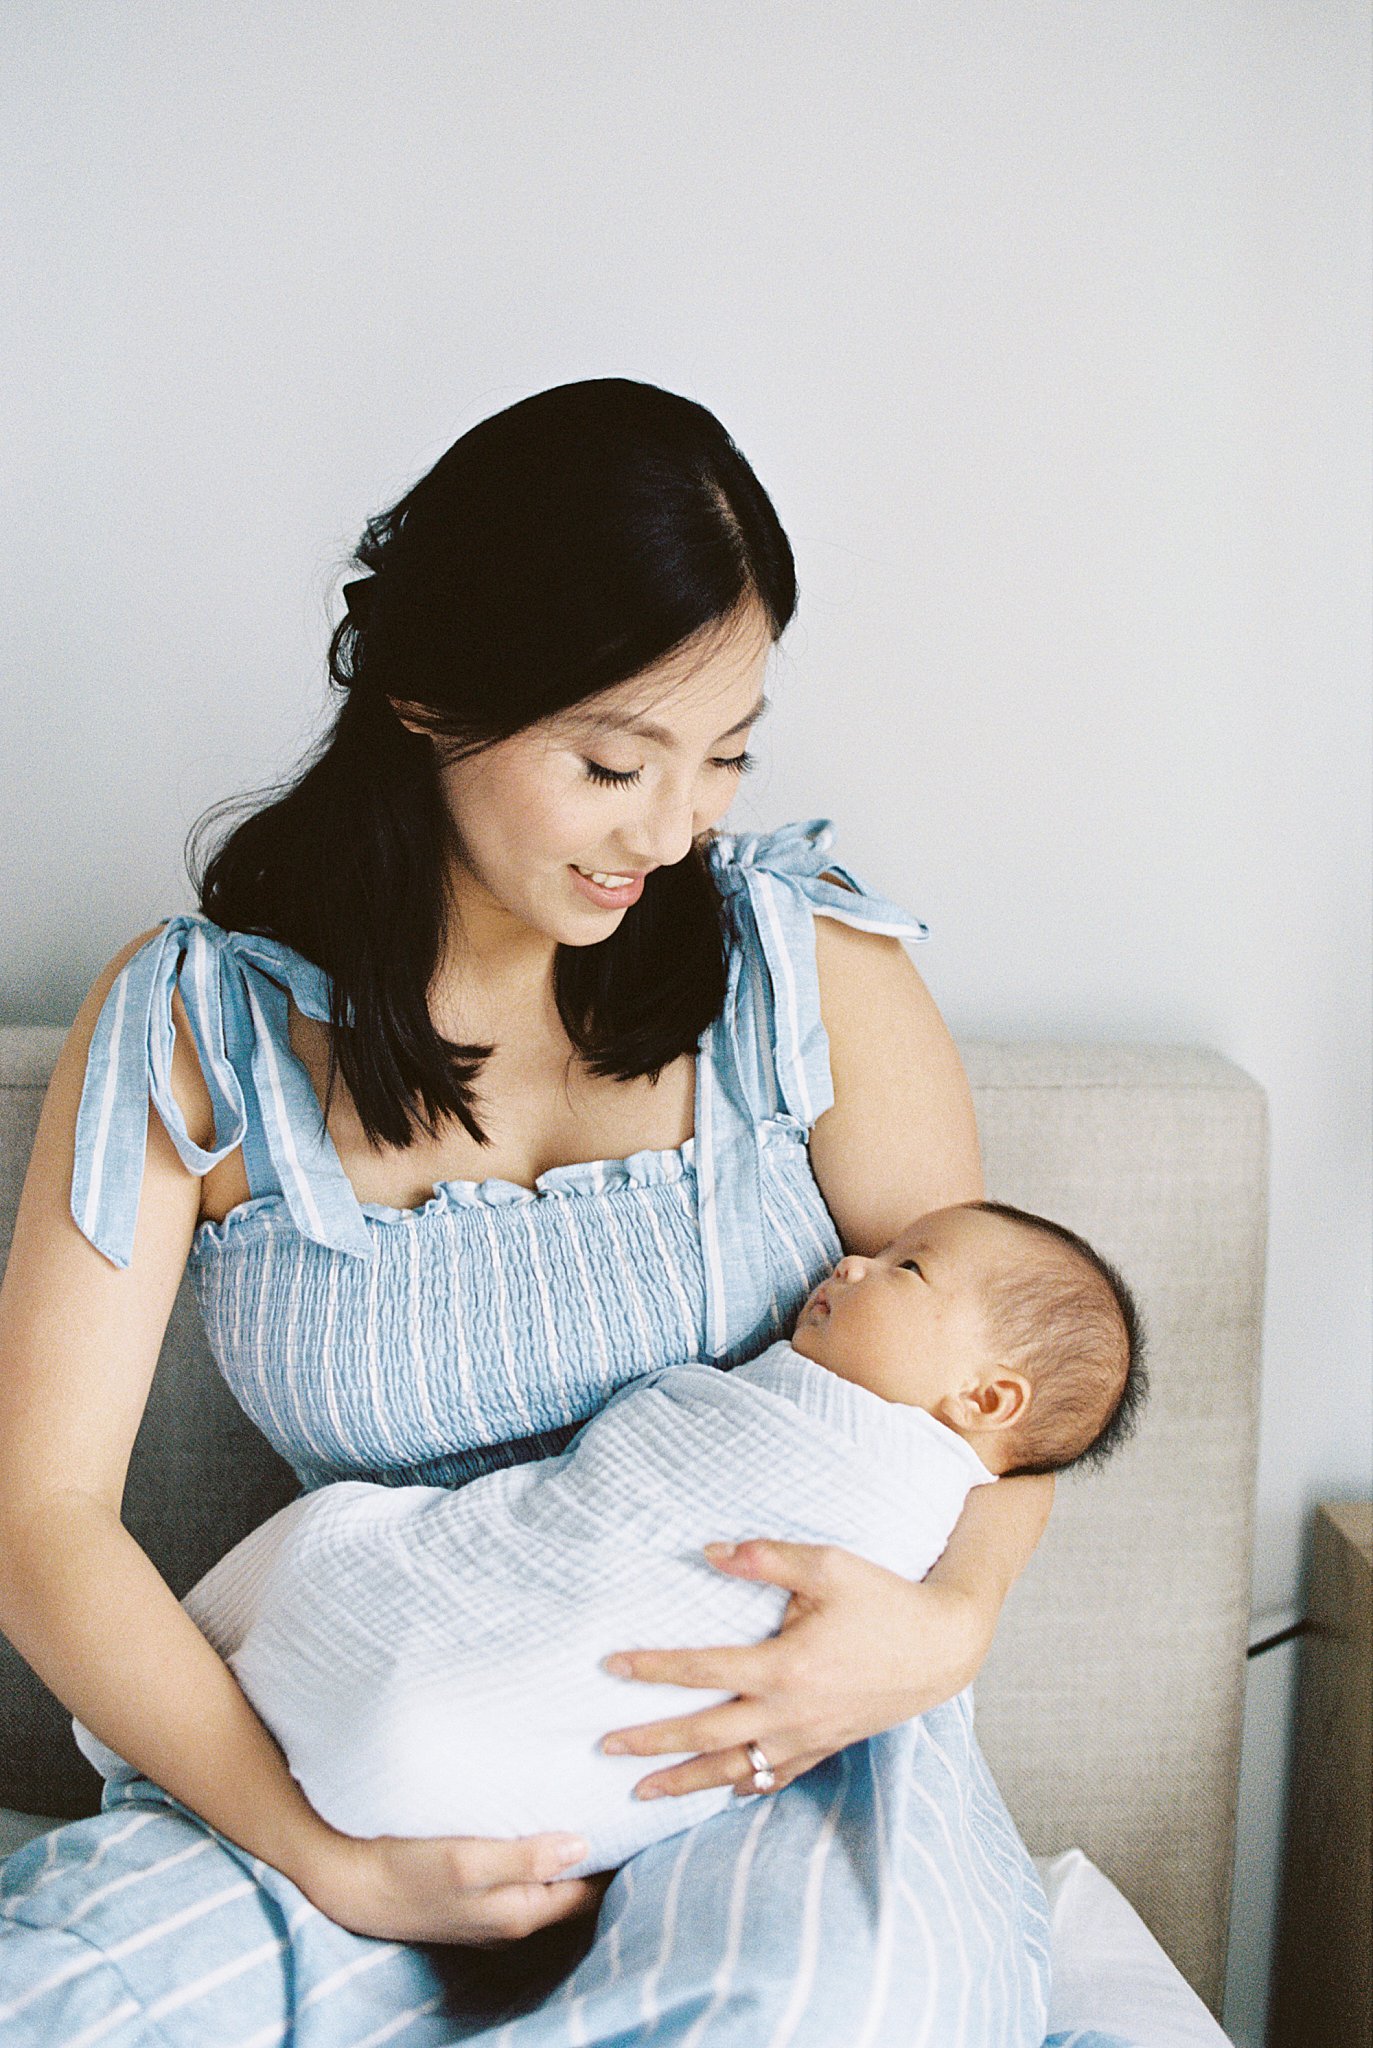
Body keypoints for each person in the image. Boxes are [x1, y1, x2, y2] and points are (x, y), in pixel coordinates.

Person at [0, 379, 1059, 2045]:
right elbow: (40, 1514)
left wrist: (939, 1627)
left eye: (722, 756)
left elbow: (1008, 1383)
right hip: (371, 1751)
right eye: (611, 760)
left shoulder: (805, 962)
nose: (675, 826)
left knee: (809, 2009)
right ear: (428, 697)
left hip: (758, 1745)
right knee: (59, 1993)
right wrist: (322, 1857)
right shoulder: (194, 1028)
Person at [70, 1201, 1145, 1879]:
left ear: (985, 1394)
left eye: (905, 1268)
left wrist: (950, 1622)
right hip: (435, 1657)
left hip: (697, 1764)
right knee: (334, 1549)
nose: (856, 1259)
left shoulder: (908, 1482)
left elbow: (1001, 1485)